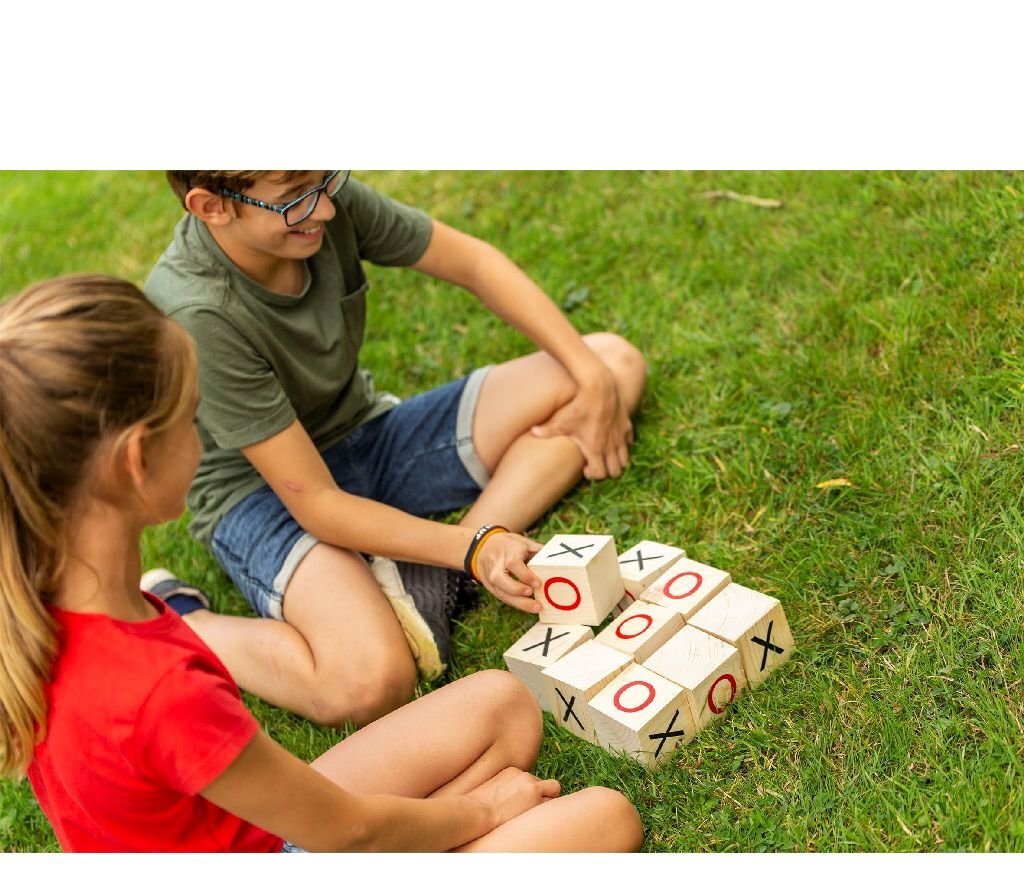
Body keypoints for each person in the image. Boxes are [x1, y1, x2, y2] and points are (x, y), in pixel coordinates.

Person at [0, 274, 643, 853]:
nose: (205, 439)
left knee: (506, 704)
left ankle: (427, 837)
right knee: (607, 818)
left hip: (269, 829)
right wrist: (477, 810)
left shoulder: (39, 604)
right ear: (137, 461)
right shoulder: (161, 692)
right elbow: (345, 831)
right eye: (193, 418)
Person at [143, 170, 647, 729]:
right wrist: (474, 545)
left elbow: (475, 263)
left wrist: (589, 376)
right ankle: (184, 620)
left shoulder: (314, 194)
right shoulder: (197, 312)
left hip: (367, 435)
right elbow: (316, 502)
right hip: (263, 495)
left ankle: (443, 578)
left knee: (612, 365)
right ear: (212, 207)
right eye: (295, 202)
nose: (327, 213)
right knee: (369, 681)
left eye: (328, 181)